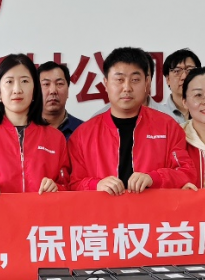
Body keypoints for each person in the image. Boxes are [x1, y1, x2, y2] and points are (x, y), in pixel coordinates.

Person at [68, 47, 194, 193]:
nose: (127, 88)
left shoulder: (168, 126)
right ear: (106, 83)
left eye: (135, 80)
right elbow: (72, 184)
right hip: (102, 208)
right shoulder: (83, 135)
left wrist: (154, 178)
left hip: (155, 208)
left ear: (147, 83)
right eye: (119, 80)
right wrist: (95, 185)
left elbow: (186, 172)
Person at [0, 54, 69, 195]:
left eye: (24, 81)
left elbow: (68, 187)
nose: (17, 89)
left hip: (44, 210)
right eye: (9, 81)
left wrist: (57, 188)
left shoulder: (56, 138)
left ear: (35, 90)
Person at [38, 61, 83, 140]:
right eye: (46, 84)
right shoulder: (24, 130)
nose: (53, 91)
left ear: (68, 91)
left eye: (59, 84)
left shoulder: (83, 129)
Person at [152, 49, 200, 122]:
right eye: (177, 71)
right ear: (168, 79)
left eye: (190, 70)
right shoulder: (157, 114)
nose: (184, 77)